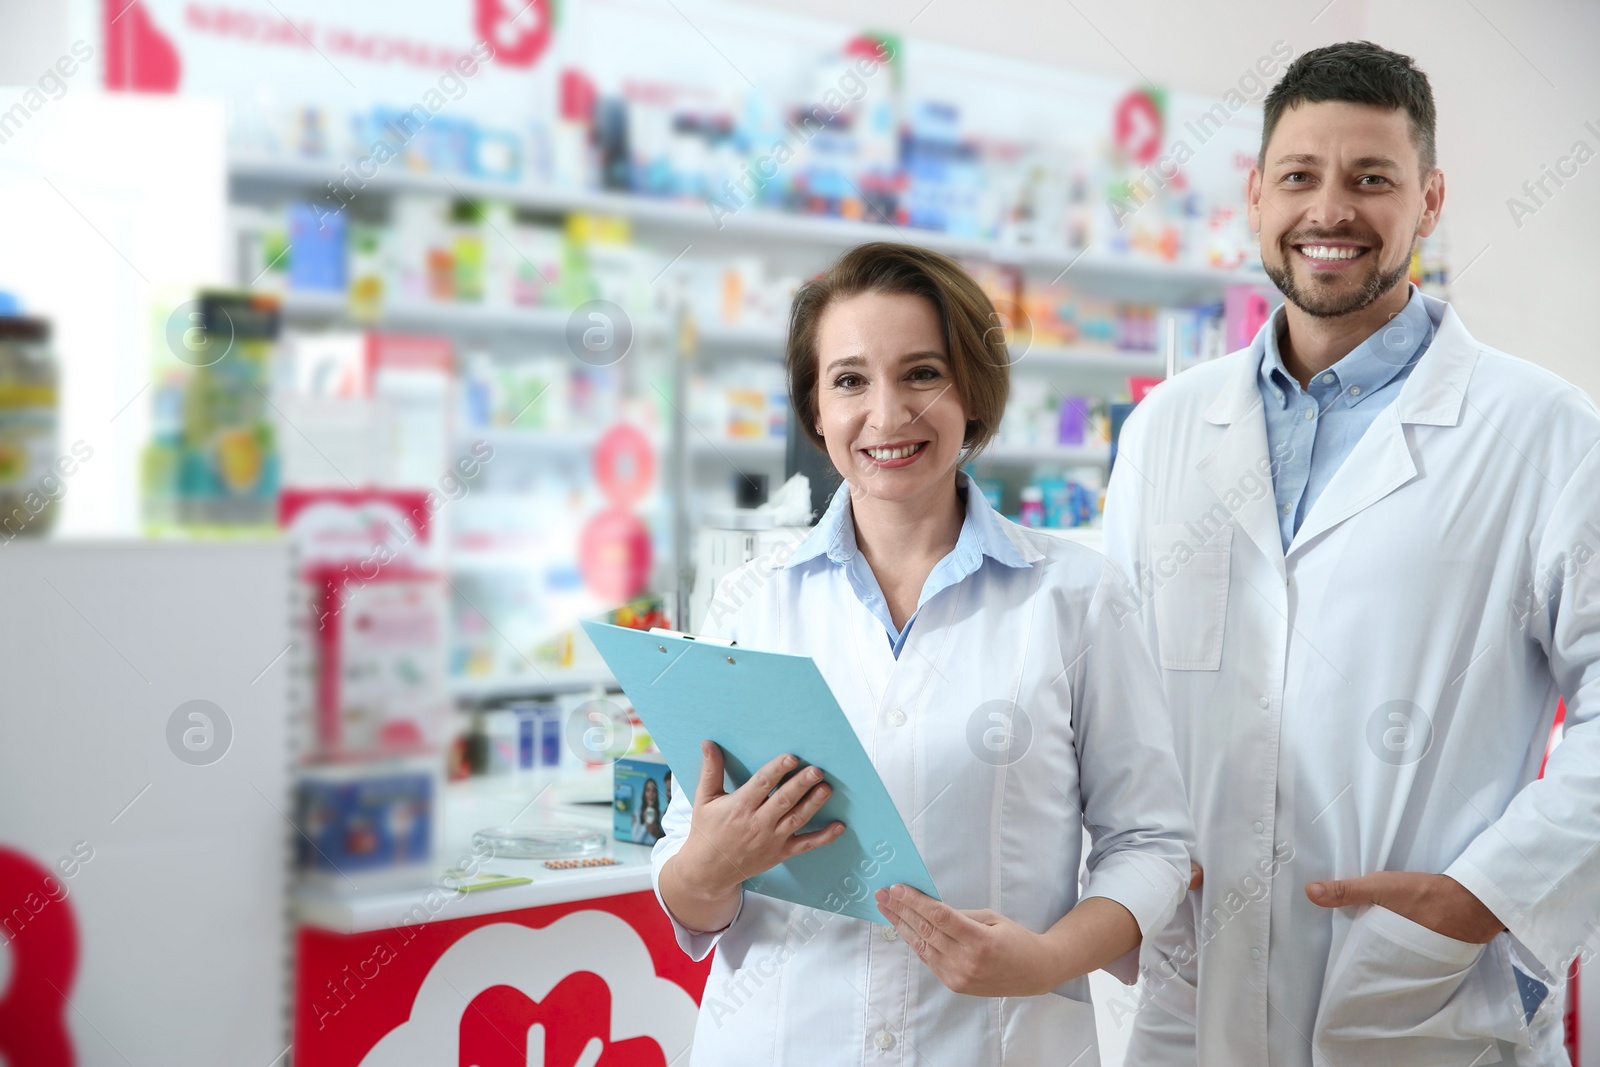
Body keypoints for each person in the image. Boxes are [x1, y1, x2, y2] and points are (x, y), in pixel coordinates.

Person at [1103, 41, 1600, 1067]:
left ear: (1428, 199)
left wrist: (1483, 895)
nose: (1329, 211)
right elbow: (1107, 681)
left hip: (1415, 1001)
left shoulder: (1545, 430)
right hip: (1188, 1000)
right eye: (1299, 176)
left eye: (1371, 179)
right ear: (1253, 194)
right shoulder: (1166, 429)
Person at [651, 242, 1193, 1065]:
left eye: (922, 373)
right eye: (850, 380)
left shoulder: (1076, 594)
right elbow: (687, 874)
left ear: (971, 389)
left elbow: (1150, 844)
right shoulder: (747, 601)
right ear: (815, 409)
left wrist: (1046, 959)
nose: (886, 412)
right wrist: (708, 866)